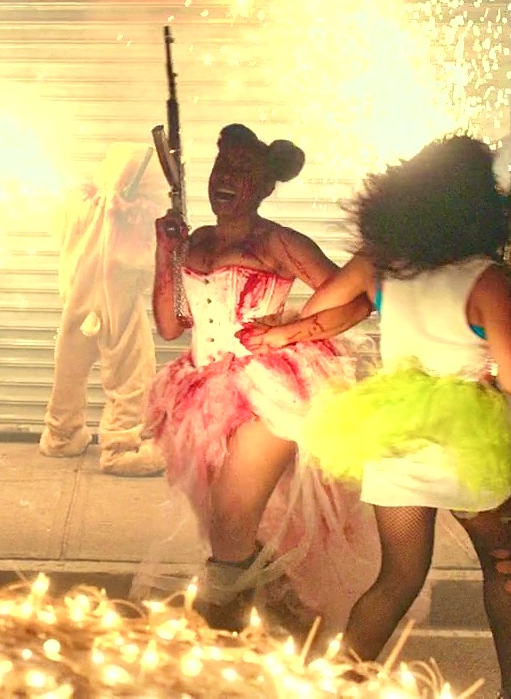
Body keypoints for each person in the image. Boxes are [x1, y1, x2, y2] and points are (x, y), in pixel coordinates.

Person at [238, 135, 511, 699]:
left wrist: (294, 328)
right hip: (466, 441)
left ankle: (336, 688)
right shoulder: (486, 278)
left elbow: (321, 307)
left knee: (397, 579)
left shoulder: (380, 264)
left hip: (395, 434)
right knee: (504, 567)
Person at [145, 123, 378, 633]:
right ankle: (285, 616)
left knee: (230, 522)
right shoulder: (195, 240)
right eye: (221, 166)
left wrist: (287, 333)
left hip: (268, 391)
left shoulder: (278, 242)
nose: (226, 178)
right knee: (228, 529)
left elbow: (360, 301)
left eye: (242, 170)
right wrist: (166, 252)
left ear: (266, 187)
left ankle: (219, 632)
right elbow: (171, 325)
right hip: (202, 391)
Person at [39, 142, 167, 477]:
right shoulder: (137, 216)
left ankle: (61, 435)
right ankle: (120, 449)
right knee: (131, 375)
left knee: (69, 370)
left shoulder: (80, 204)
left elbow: (60, 230)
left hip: (78, 301)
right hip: (118, 304)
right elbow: (147, 265)